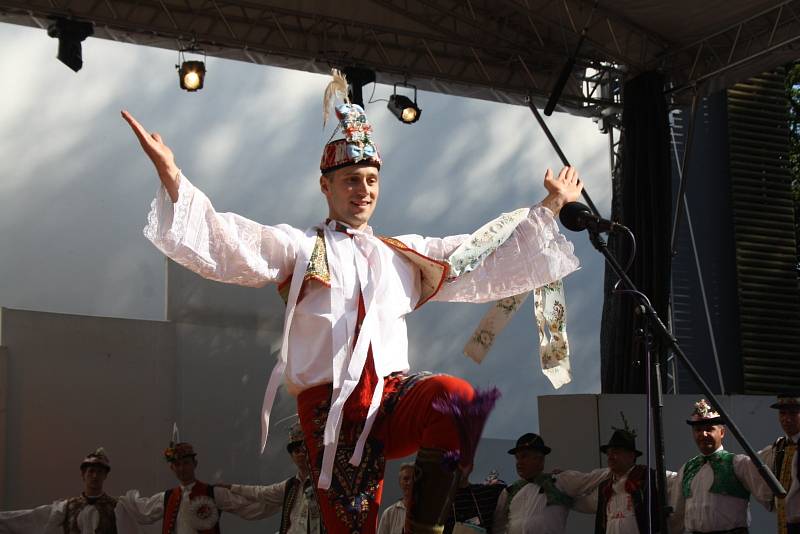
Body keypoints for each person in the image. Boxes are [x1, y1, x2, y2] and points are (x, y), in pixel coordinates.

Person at [122, 69, 582, 534]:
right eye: (350, 181)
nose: (363, 191)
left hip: (390, 395)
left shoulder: (400, 254)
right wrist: (173, 177)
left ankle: (423, 528)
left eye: (370, 180)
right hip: (332, 411)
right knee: (351, 526)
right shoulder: (302, 248)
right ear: (326, 186)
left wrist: (549, 208)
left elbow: (476, 253)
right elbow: (229, 241)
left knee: (456, 398)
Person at [669, 399, 773, 534]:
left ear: (722, 432)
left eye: (709, 429)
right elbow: (677, 515)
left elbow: (769, 496)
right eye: (698, 430)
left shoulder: (738, 464)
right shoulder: (687, 468)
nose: (703, 434)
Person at [118, 441, 267, 533]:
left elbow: (246, 507)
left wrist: (278, 499)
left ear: (194, 464)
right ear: (172, 468)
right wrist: (116, 502)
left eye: (186, 463)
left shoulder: (212, 493)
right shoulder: (167, 497)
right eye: (177, 465)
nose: (182, 468)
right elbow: (143, 511)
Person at [556, 416, 663, 534]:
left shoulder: (647, 478)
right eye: (609, 453)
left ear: (631, 456)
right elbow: (588, 505)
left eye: (616, 452)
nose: (611, 457)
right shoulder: (605, 487)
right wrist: (560, 487)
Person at [0, 448, 144, 534]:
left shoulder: (117, 507)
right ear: (83, 474)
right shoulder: (66, 507)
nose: (95, 476)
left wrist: (166, 498)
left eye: (99, 472)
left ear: (105, 475)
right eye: (91, 471)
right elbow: (30, 518)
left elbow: (145, 511)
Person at [219, 423, 323, 534]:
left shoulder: (322, 483)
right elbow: (261, 492)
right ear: (292, 455)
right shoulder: (290, 485)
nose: (300, 454)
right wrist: (232, 487)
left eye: (304, 450)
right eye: (296, 451)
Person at [492, 433, 592, 534]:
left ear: (540, 459)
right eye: (517, 458)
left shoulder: (558, 482)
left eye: (524, 456)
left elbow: (594, 481)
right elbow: (498, 528)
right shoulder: (509, 491)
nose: (519, 462)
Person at [759, 394, 800, 534]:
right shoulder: (778, 447)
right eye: (782, 413)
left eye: (794, 413)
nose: (787, 419)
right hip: (785, 525)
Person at [443, 464, 505, 534]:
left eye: (463, 462)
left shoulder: (489, 493)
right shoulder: (435, 503)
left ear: (471, 465)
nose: (458, 467)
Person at [377, 463, 415, 534]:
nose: (409, 482)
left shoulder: (427, 512)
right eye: (406, 479)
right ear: (400, 482)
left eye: (413, 478)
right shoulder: (389, 513)